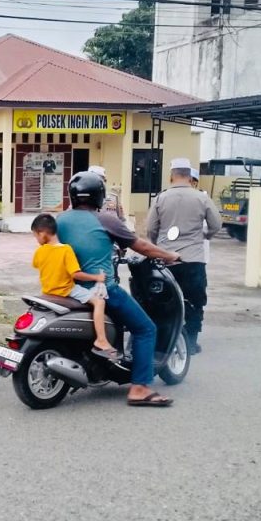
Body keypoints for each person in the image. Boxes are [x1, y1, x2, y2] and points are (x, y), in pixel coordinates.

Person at [57, 171, 181, 407]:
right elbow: (141, 246)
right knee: (145, 328)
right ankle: (140, 388)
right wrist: (170, 254)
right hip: (101, 289)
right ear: (99, 196)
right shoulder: (106, 220)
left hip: (65, 289)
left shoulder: (59, 220)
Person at [146, 158, 222, 355]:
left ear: (172, 176)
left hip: (166, 262)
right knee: (195, 301)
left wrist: (157, 247)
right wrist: (205, 236)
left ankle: (165, 342)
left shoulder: (161, 198)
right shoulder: (202, 198)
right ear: (190, 176)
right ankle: (190, 342)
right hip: (193, 260)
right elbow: (216, 225)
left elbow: (150, 229)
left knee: (164, 301)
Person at [30, 213, 119, 360]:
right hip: (66, 291)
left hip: (47, 292)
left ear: (43, 233)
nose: (37, 240)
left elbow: (37, 264)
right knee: (99, 301)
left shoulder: (40, 252)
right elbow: (76, 275)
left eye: (36, 236)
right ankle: (101, 340)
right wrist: (97, 277)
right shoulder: (66, 250)